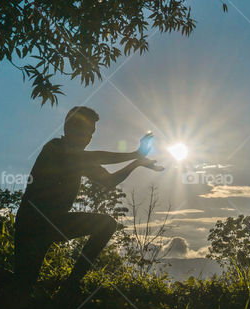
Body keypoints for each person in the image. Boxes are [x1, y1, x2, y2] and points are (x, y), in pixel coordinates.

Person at [13, 106, 163, 293]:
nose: (89, 137)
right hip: (33, 224)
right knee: (23, 284)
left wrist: (136, 163)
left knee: (107, 224)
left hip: (54, 223)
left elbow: (109, 181)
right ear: (69, 128)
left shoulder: (81, 160)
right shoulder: (55, 148)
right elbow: (95, 157)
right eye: (86, 131)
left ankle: (71, 285)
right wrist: (135, 154)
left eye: (92, 133)